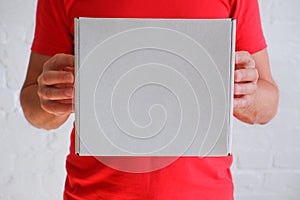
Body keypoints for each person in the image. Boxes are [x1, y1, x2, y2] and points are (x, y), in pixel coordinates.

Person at [20, 0, 279, 199]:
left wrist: (248, 93)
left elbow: (268, 104)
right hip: (94, 193)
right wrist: (50, 98)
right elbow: (32, 104)